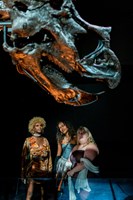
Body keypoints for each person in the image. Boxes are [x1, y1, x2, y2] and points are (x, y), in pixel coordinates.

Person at [21, 116, 52, 200]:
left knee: (44, 194)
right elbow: (23, 158)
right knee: (29, 194)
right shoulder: (28, 140)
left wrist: (50, 170)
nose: (39, 127)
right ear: (33, 127)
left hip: (44, 170)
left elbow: (49, 157)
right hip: (32, 170)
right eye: (37, 125)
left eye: (41, 125)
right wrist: (22, 173)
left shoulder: (45, 140)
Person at [67, 126, 100, 200]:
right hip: (74, 179)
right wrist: (67, 167)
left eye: (83, 133)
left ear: (88, 135)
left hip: (87, 180)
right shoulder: (76, 147)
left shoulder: (92, 146)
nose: (81, 134)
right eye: (79, 133)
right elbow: (69, 161)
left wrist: (72, 171)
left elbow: (85, 163)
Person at [54, 121, 77, 198]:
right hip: (62, 161)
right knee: (56, 180)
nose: (61, 129)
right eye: (59, 128)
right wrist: (55, 165)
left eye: (63, 126)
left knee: (68, 182)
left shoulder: (75, 137)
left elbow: (79, 150)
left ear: (67, 125)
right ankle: (58, 194)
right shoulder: (60, 139)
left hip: (72, 162)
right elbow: (58, 152)